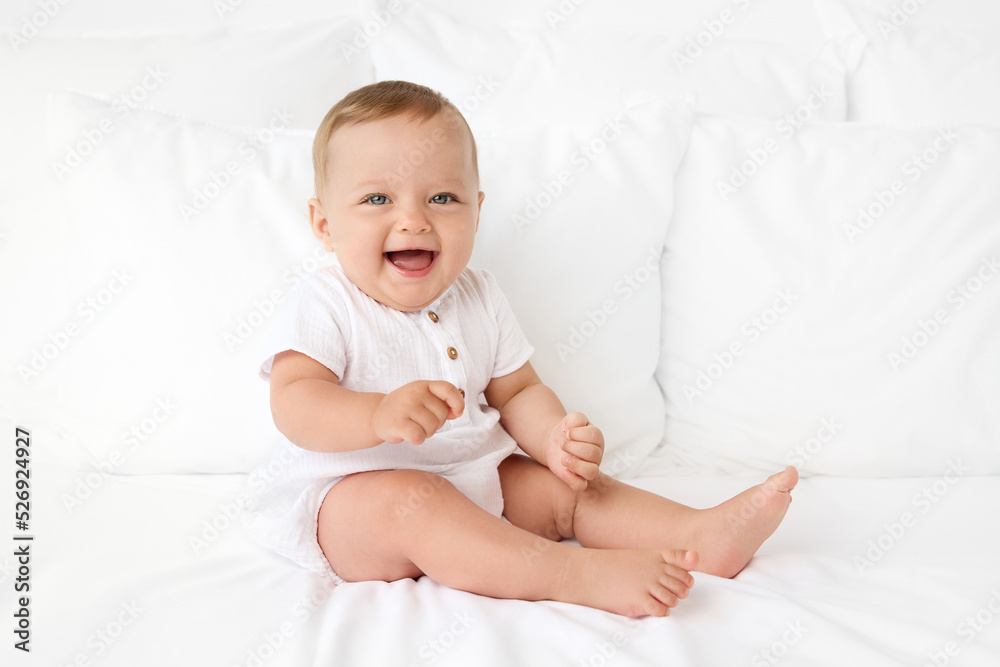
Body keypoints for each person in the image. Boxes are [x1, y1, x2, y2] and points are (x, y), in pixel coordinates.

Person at [244, 80, 798, 618]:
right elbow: (295, 402)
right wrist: (377, 413)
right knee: (411, 501)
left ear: (477, 211)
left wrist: (554, 439)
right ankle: (572, 575)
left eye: (442, 197)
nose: (413, 218)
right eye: (376, 198)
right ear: (324, 223)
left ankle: (699, 535)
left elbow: (519, 389)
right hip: (349, 507)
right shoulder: (326, 301)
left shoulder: (479, 295)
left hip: (474, 478)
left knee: (568, 490)